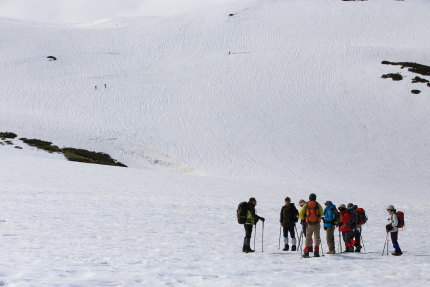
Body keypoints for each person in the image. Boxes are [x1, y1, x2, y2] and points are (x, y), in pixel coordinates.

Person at [299, 193, 324, 258]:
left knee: (308, 237)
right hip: (317, 223)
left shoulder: (306, 204)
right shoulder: (317, 204)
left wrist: (303, 218)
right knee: (316, 237)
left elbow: (301, 213)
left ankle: (306, 253)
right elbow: (322, 212)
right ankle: (316, 252)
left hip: (309, 223)